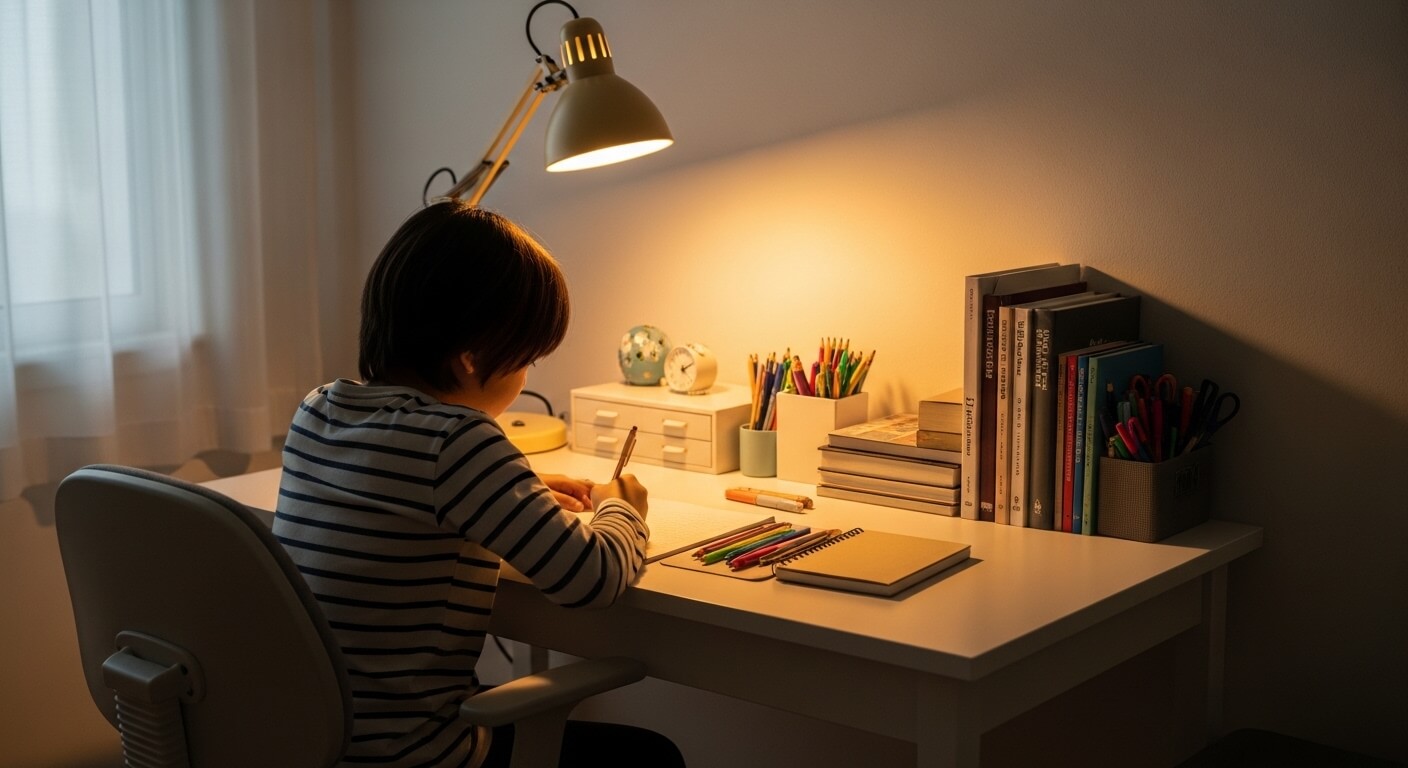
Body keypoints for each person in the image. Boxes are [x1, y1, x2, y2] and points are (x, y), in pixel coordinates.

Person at [272, 201, 684, 767]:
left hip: (315, 744)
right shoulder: (458, 438)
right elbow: (590, 579)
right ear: (471, 358)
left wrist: (517, 483)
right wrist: (623, 510)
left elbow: (398, 488)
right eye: (527, 361)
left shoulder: (320, 408)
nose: (524, 377)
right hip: (415, 754)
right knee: (650, 756)